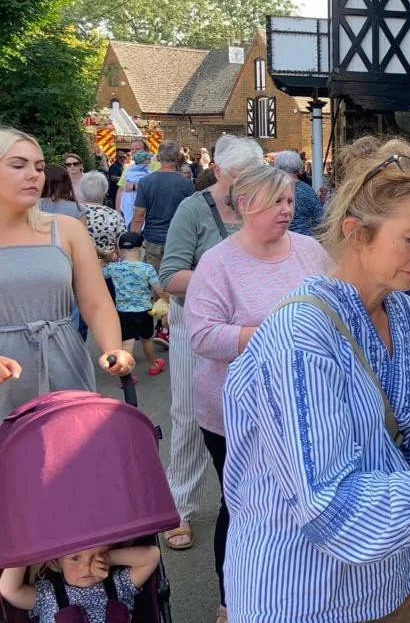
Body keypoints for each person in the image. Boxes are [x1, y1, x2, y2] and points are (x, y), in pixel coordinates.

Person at [221, 136, 410, 623]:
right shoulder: (300, 338)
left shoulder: (405, 316)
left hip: (389, 580)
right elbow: (327, 505)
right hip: (301, 590)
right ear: (356, 233)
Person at [186, 164, 330, 623]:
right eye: (276, 202)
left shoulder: (310, 251)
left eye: (289, 200)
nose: (287, 210)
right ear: (245, 205)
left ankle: (294, 586)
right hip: (235, 413)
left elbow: (333, 304)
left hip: (302, 405)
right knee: (243, 503)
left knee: (299, 496)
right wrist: (275, 332)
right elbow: (203, 336)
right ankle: (233, 598)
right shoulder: (217, 262)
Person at [157, 134, 265, 552]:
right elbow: (170, 276)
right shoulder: (193, 208)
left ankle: (245, 504)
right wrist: (224, 279)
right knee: (189, 413)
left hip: (253, 328)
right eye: (239, 176)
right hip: (198, 322)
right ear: (218, 171)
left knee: (249, 416)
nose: (246, 185)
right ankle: (178, 507)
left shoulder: (262, 202)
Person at [0, 128, 134, 418]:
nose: (35, 174)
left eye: (38, 166)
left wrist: (114, 350)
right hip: (4, 378)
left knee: (69, 455)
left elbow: (96, 303)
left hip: (64, 362)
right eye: (18, 165)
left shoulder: (66, 228)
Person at [0, 545, 160, 623]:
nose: (87, 566)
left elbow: (152, 556)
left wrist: (109, 558)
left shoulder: (118, 584)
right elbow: (9, 590)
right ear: (58, 561)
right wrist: (25, 548)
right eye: (75, 558)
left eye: (97, 555)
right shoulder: (47, 594)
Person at [103, 232, 166, 377]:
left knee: (127, 343)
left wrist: (105, 258)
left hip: (123, 312)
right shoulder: (147, 268)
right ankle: (153, 365)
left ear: (120, 250)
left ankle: (127, 374)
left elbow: (98, 274)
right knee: (147, 340)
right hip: (144, 311)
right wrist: (167, 299)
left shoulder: (114, 268)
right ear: (140, 249)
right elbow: (158, 289)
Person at [131, 139, 195, 273]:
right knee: (175, 283)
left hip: (152, 240)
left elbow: (139, 217)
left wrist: (133, 243)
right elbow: (192, 216)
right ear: (178, 157)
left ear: (159, 157)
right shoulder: (187, 184)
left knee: (155, 283)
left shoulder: (145, 182)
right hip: (178, 241)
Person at [272, 149, 323, 236]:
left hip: (277, 238)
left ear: (277, 166)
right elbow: (319, 219)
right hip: (304, 238)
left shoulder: (271, 189)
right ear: (298, 167)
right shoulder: (308, 190)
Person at [79, 171, 127, 262]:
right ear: (105, 190)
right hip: (108, 267)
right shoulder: (114, 216)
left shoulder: (73, 213)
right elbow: (122, 247)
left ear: (81, 189)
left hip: (79, 265)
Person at [117, 151, 152, 226]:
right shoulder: (146, 170)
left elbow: (125, 185)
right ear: (143, 160)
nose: (150, 160)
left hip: (127, 197)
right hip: (139, 198)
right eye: (148, 158)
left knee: (129, 218)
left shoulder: (129, 170)